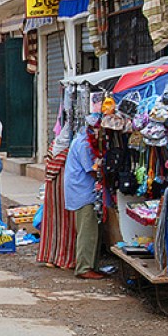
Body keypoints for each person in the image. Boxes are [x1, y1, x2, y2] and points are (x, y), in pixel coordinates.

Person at [64, 115, 105, 279]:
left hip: (82, 191)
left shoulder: (81, 141)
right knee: (87, 231)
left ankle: (90, 265)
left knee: (91, 231)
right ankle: (84, 268)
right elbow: (91, 168)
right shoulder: (84, 144)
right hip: (83, 193)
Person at [37, 122, 77, 269]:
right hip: (65, 192)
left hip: (51, 192)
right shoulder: (68, 151)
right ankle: (65, 259)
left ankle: (50, 257)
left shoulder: (53, 147)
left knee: (52, 224)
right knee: (67, 225)